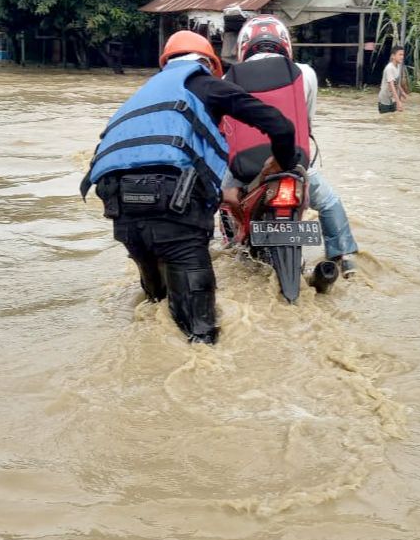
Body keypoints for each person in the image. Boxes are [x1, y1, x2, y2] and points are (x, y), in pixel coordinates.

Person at [81, 30, 298, 344]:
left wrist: (219, 194)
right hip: (172, 209)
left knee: (154, 308)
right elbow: (280, 125)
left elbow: (149, 159)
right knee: (199, 334)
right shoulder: (205, 84)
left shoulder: (142, 94)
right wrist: (282, 161)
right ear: (209, 62)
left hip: (119, 207)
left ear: (166, 63)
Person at [221, 14, 358, 278]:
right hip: (293, 163)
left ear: (244, 46)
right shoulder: (304, 72)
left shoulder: (230, 76)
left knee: (225, 198)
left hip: (246, 169)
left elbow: (228, 127)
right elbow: (306, 120)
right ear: (283, 42)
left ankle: (233, 244)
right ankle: (344, 257)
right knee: (329, 202)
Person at [378, 45, 408, 114]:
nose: (402, 57)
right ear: (393, 56)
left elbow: (396, 82)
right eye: (400, 55)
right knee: (385, 119)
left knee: (393, 118)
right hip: (384, 99)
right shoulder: (389, 68)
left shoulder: (398, 66)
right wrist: (398, 102)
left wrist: (402, 92)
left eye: (403, 55)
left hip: (392, 98)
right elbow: (391, 86)